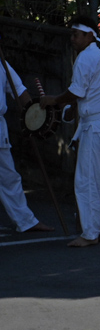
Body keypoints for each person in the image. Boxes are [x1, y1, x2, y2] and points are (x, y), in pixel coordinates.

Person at [40, 16, 100, 247]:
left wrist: (53, 100)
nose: (72, 38)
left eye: (76, 34)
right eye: (72, 34)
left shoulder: (86, 57)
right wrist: (73, 107)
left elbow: (76, 92)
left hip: (96, 127)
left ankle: (90, 234)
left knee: (87, 181)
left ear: (90, 36)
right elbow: (89, 93)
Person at [0, 56, 53, 232]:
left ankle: (26, 220)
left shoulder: (2, 64)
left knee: (8, 177)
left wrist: (34, 118)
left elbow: (20, 91)